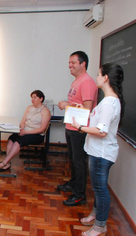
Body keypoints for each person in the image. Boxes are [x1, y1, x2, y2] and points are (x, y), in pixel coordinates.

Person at [70, 63, 124, 236]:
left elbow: (101, 131)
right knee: (97, 188)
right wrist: (83, 110)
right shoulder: (108, 100)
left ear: (106, 77)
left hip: (101, 154)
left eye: (99, 74)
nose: (97, 77)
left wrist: (80, 128)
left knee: (100, 190)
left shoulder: (109, 102)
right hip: (97, 152)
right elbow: (98, 118)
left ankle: (100, 226)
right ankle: (96, 214)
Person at [57, 51, 98, 206]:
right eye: (69, 63)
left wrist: (66, 105)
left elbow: (87, 109)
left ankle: (80, 195)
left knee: (79, 162)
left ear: (83, 64)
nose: (70, 65)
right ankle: (73, 184)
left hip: (80, 129)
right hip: (71, 126)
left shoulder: (87, 82)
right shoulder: (77, 81)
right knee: (73, 160)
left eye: (73, 62)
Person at [0, 90, 51, 171]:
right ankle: (8, 163)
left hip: (37, 135)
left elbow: (42, 129)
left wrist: (26, 132)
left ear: (41, 99)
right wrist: (22, 129)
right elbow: (23, 121)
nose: (32, 100)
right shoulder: (29, 107)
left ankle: (4, 163)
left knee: (17, 143)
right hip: (25, 131)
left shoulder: (45, 111)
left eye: (35, 97)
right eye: (32, 98)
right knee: (11, 139)